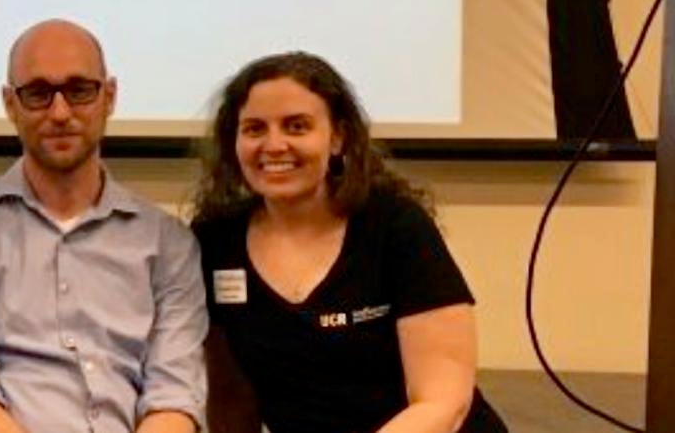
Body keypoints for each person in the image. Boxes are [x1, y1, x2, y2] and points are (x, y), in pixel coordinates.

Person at [0, 19, 208, 433]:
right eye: (38, 94)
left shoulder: (169, 243)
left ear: (110, 96)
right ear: (10, 104)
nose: (60, 112)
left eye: (80, 90)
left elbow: (175, 395)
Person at [189, 51, 508, 433]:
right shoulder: (215, 239)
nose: (274, 146)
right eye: (255, 129)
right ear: (234, 142)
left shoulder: (395, 226)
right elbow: (230, 398)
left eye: (296, 126)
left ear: (337, 137)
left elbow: (444, 403)